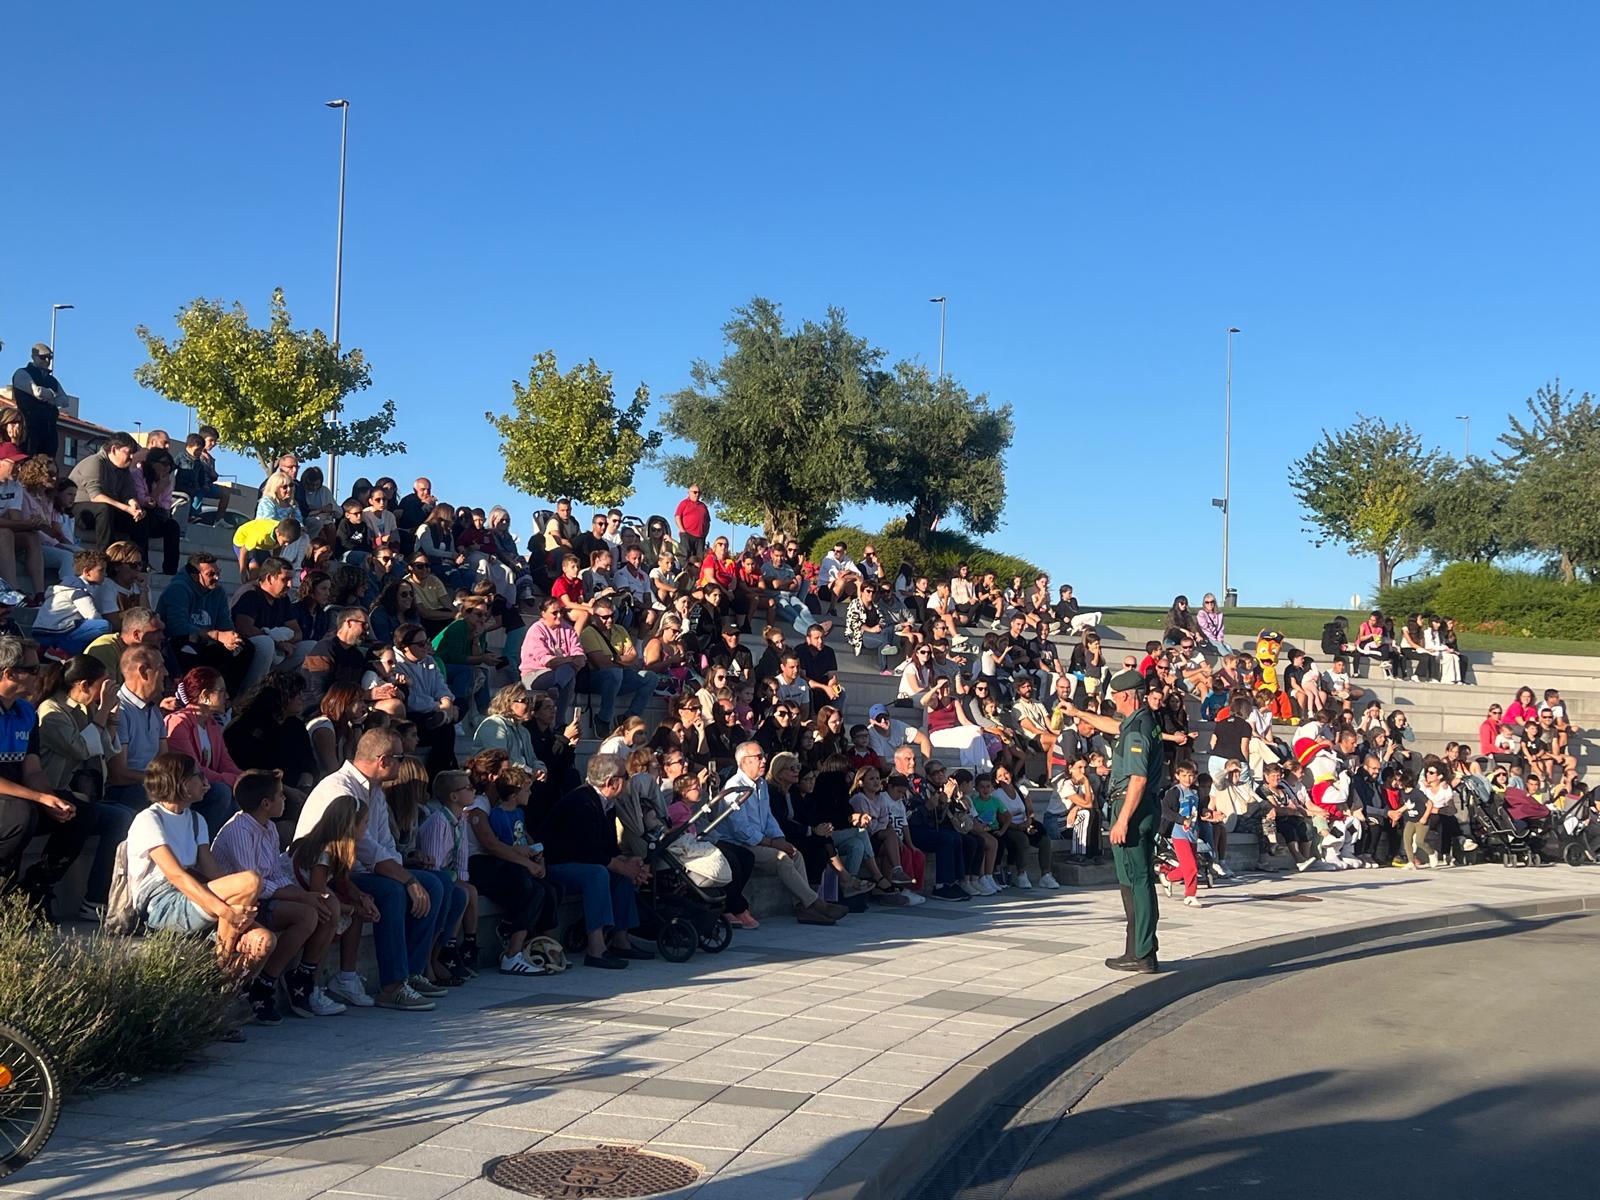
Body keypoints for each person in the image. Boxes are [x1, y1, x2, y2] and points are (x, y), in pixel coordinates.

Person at [294, 729, 447, 1011]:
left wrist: (409, 875)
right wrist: (408, 880)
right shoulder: (339, 789)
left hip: (351, 870)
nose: (403, 764)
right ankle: (392, 986)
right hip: (330, 871)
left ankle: (412, 973)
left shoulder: (374, 790)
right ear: (383, 760)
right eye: (400, 758)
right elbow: (363, 848)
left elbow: (383, 843)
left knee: (438, 884)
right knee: (393, 891)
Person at [210, 770, 346, 1020]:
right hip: (241, 904)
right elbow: (253, 885)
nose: (286, 799)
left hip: (265, 899)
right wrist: (302, 897)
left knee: (322, 907)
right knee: (307, 915)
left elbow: (275, 875)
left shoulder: (270, 828)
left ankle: (277, 980)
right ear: (265, 803)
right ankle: (259, 987)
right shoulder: (240, 830)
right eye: (281, 796)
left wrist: (307, 895)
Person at [1065, 669, 1165, 973]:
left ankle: (1141, 952)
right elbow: (1113, 725)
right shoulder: (1143, 721)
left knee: (1134, 882)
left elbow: (1137, 779)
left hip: (1133, 808)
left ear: (1124, 696)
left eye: (1116, 698)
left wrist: (1122, 820)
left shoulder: (1136, 731)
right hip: (1146, 807)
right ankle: (1141, 947)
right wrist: (1079, 712)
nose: (1114, 702)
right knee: (1142, 880)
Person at [0, 637, 94, 915]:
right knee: (22, 812)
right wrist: (38, 797)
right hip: (11, 805)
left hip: (19, 798)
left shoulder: (26, 711)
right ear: (8, 674)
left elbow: (32, 769)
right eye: (32, 668)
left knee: (80, 812)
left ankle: (34, 888)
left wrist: (49, 799)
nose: (40, 673)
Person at [540, 753, 656, 968]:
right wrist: (622, 866)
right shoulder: (582, 802)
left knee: (620, 874)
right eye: (625, 776)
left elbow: (609, 848)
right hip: (558, 864)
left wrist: (629, 863)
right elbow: (588, 851)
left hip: (582, 861)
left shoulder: (607, 803)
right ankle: (596, 948)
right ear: (612, 782)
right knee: (598, 874)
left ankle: (621, 940)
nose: (628, 780)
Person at [719, 741, 852, 924]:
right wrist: (773, 843)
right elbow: (742, 831)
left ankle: (804, 908)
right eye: (758, 757)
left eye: (763, 756)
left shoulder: (761, 784)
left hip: (761, 841)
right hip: (740, 844)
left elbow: (768, 818)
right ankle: (816, 903)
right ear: (744, 761)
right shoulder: (734, 788)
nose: (764, 760)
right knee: (781, 859)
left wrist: (780, 838)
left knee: (795, 854)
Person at [156, 552, 254, 693]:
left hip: (206, 643)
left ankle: (227, 698)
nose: (217, 577)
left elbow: (225, 624)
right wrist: (216, 635)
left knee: (244, 648)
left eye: (218, 572)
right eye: (211, 574)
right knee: (188, 647)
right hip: (178, 643)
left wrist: (230, 638)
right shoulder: (177, 589)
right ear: (195, 575)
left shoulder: (218, 592)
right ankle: (189, 695)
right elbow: (177, 627)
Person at [163, 666, 241, 833]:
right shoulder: (178, 723)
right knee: (222, 792)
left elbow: (225, 762)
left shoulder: (212, 725)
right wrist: (232, 780)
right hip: (186, 787)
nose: (227, 696)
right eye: (221, 691)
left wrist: (243, 780)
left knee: (244, 793)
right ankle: (206, 847)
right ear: (205, 696)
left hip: (206, 785)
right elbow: (192, 769)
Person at [521, 597, 585, 726]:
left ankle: (556, 688)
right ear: (543, 614)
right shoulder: (536, 630)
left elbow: (580, 657)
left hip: (561, 674)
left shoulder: (568, 629)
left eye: (561, 611)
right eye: (554, 613)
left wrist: (571, 660)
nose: (559, 615)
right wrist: (570, 659)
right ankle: (559, 723)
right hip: (535, 674)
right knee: (568, 673)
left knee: (569, 674)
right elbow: (547, 660)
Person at [10, 344, 66, 456]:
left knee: (48, 463)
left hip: (49, 429)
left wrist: (47, 395)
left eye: (49, 358)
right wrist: (52, 395)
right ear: (33, 357)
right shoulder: (22, 373)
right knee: (28, 458)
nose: (47, 360)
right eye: (43, 357)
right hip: (29, 427)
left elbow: (64, 401)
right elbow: (37, 392)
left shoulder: (52, 380)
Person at [673, 484, 710, 564]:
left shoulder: (703, 506)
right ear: (689, 493)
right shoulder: (684, 503)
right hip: (687, 534)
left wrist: (705, 534)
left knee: (699, 559)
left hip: (700, 537)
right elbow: (677, 516)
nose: (697, 494)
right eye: (695, 492)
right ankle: (685, 572)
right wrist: (682, 530)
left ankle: (697, 574)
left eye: (699, 493)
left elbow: (708, 521)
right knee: (685, 556)